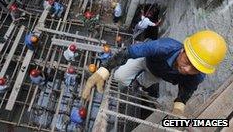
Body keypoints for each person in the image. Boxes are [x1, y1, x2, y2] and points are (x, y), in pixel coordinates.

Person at [82, 30, 227, 116]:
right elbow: (128, 52)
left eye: (195, 68)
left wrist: (178, 109)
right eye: (188, 61)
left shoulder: (197, 76)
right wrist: (103, 70)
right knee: (119, 77)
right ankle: (124, 83)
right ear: (183, 50)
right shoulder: (163, 47)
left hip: (157, 75)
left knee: (144, 82)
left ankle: (136, 84)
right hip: (145, 61)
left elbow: (185, 93)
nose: (187, 69)